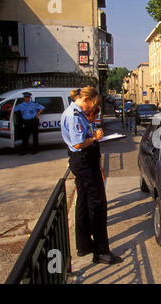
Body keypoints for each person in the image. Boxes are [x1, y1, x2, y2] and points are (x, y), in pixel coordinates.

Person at [61, 87, 122, 265]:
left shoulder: (75, 112)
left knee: (83, 202)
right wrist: (94, 137)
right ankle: (101, 251)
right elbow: (79, 143)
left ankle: (84, 245)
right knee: (98, 206)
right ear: (87, 99)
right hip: (84, 162)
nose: (92, 110)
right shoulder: (74, 115)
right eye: (92, 105)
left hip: (83, 162)